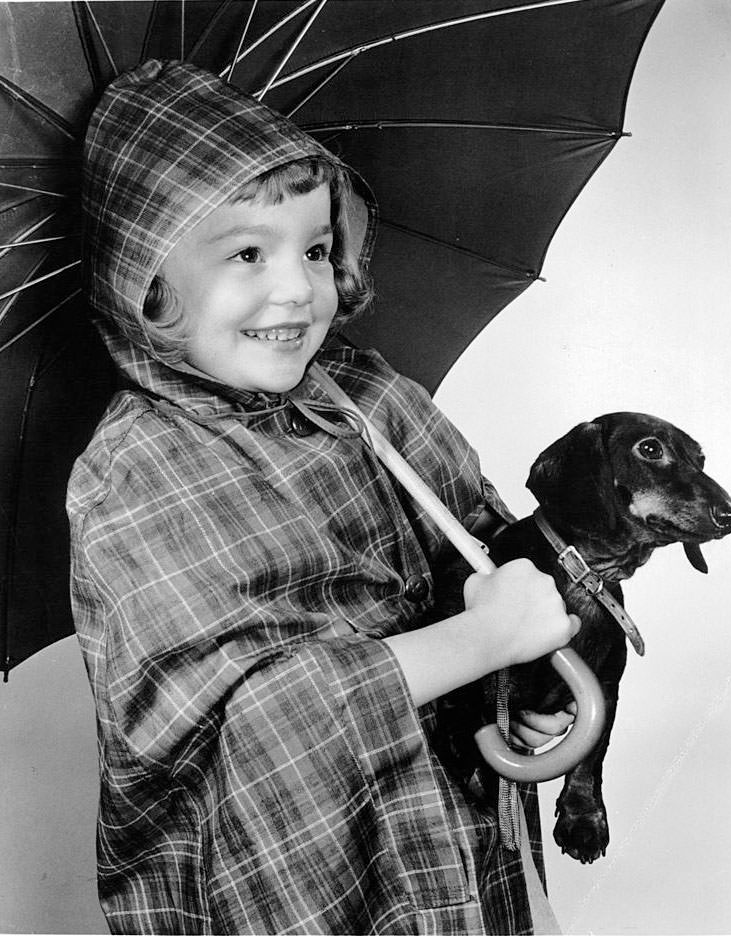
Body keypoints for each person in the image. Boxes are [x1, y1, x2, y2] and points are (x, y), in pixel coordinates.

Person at [68, 59, 579, 935]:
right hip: (297, 882)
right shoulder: (137, 472)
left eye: (313, 247)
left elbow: (489, 554)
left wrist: (530, 666)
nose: (300, 289)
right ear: (144, 285)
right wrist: (480, 638)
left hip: (443, 829)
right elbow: (254, 723)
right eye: (245, 254)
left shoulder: (367, 398)